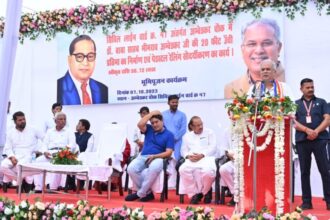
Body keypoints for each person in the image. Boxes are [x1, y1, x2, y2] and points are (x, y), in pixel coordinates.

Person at [224, 18, 285, 99]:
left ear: (279, 48)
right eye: (252, 44)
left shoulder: (288, 83)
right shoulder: (231, 88)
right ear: (242, 50)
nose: (259, 51)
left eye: (266, 43)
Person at [294, 78, 330, 210]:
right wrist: (306, 130)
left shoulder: (322, 102)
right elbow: (293, 121)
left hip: (320, 140)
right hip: (302, 140)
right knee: (304, 171)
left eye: (312, 87)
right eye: (308, 87)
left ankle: (329, 201)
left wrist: (315, 131)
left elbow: (328, 119)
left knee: (325, 170)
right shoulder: (295, 104)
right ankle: (307, 202)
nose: (311, 89)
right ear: (301, 89)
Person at [125, 110, 174, 202]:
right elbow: (140, 124)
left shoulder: (169, 134)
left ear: (162, 121)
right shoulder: (149, 129)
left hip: (159, 157)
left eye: (157, 122)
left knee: (154, 167)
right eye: (152, 123)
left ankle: (140, 193)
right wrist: (151, 114)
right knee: (131, 168)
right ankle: (147, 193)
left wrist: (155, 156)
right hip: (143, 156)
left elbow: (169, 152)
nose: (155, 125)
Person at [57, 35, 108, 105]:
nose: (85, 63)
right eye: (79, 56)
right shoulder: (59, 87)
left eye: (90, 56)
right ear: (69, 60)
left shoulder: (103, 89)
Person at [0, 111, 44, 192]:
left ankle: (19, 185)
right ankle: (19, 180)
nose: (23, 121)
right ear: (15, 121)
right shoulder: (10, 132)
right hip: (15, 155)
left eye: (24, 119)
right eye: (20, 120)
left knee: (19, 166)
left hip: (29, 155)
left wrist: (42, 150)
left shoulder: (33, 129)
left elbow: (45, 138)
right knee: (2, 166)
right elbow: (8, 147)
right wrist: (12, 157)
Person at [34, 112, 77, 192]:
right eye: (61, 119)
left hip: (62, 153)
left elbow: (72, 144)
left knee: (56, 163)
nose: (63, 121)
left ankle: (53, 187)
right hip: (50, 153)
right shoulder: (50, 131)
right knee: (37, 162)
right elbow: (44, 144)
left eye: (64, 119)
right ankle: (38, 187)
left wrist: (64, 152)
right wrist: (45, 152)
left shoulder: (69, 131)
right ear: (55, 121)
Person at [179, 116, 217, 204]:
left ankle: (203, 192)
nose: (200, 127)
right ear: (192, 127)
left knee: (208, 173)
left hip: (206, 158)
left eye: (201, 124)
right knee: (182, 169)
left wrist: (202, 155)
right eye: (197, 125)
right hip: (192, 159)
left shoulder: (209, 132)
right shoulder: (187, 136)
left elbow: (213, 147)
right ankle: (194, 193)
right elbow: (183, 150)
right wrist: (188, 156)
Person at [162, 94, 187, 161]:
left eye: (176, 102)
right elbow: (161, 127)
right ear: (168, 103)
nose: (175, 104)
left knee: (176, 159)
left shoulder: (182, 115)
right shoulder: (163, 114)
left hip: (177, 142)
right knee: (164, 159)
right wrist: (167, 138)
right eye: (173, 102)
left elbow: (183, 129)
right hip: (165, 141)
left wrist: (175, 138)